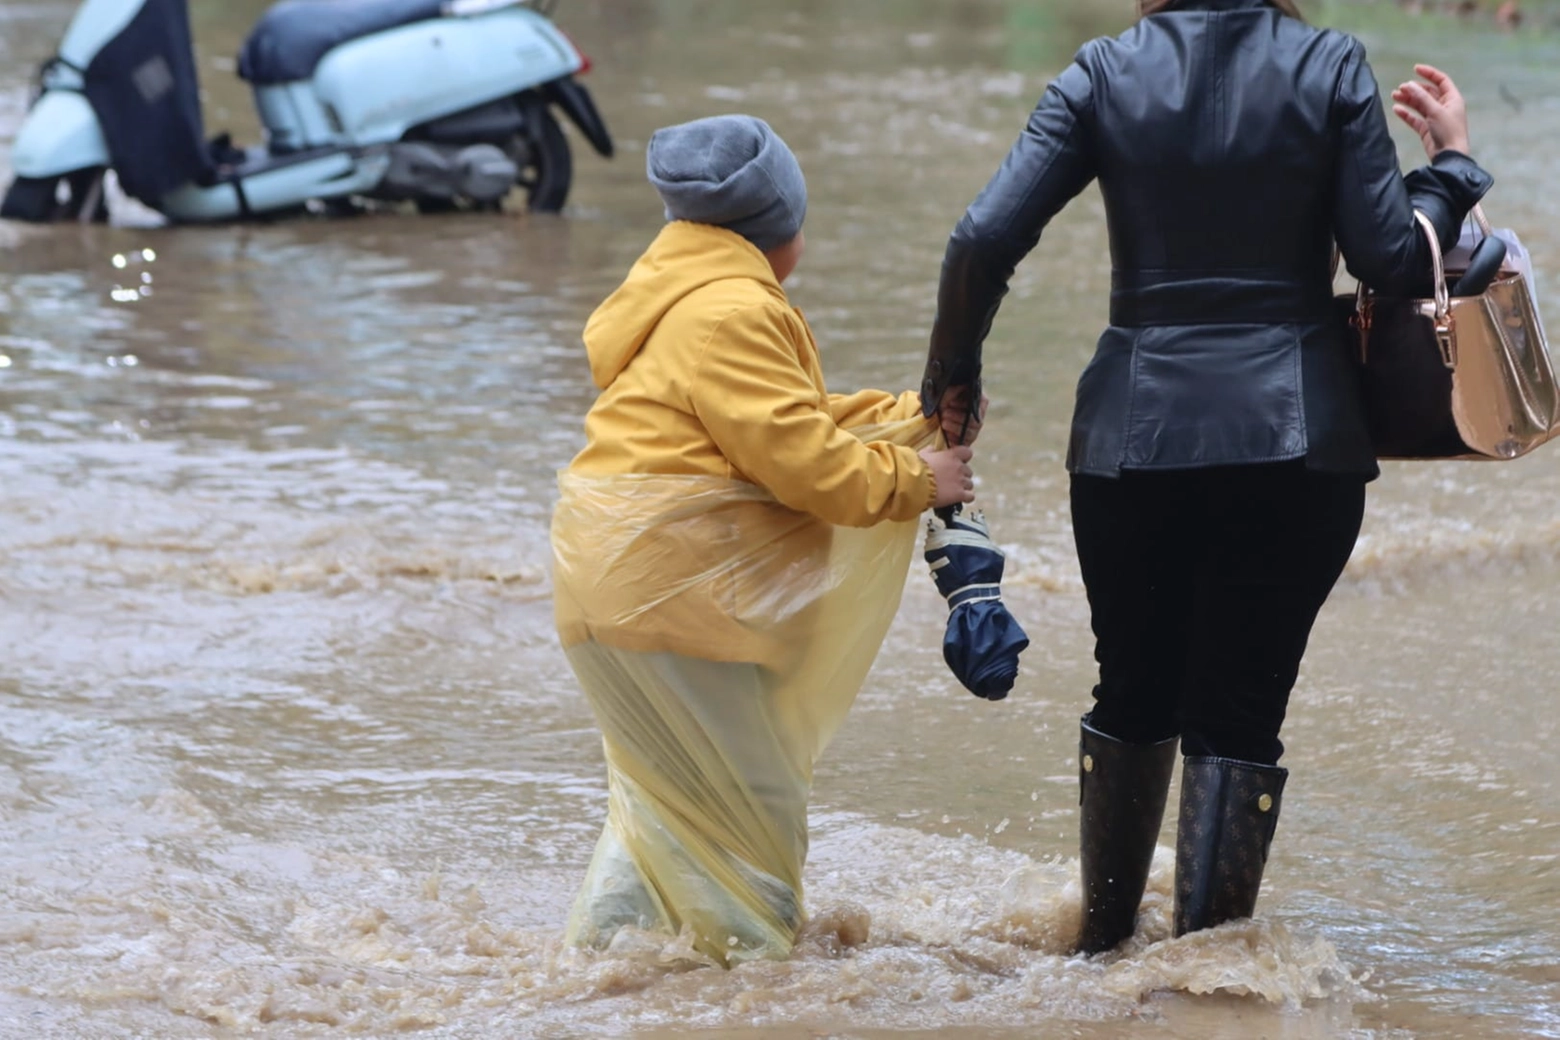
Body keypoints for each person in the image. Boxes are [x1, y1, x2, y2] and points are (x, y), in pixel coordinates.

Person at [919, 0, 1490, 954]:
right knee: (1241, 713)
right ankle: (1203, 981)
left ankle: (1101, 955)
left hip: (1129, 444)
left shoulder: (1101, 71)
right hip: (1296, 444)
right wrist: (1452, 169)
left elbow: (980, 240)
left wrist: (954, 378)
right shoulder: (1331, 65)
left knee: (1133, 693)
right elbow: (1391, 257)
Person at [551, 114, 976, 964]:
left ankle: (599, 974)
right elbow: (804, 465)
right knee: (754, 816)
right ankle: (755, 996)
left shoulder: (672, 301)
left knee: (661, 811)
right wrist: (924, 481)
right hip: (677, 595)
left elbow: (789, 420)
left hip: (611, 591)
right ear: (777, 227)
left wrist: (916, 417)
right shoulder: (736, 311)